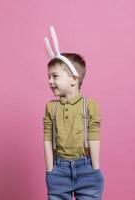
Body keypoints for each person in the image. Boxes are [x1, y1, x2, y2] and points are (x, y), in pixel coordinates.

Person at [43, 26, 104, 200]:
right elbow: (48, 139)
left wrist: (95, 169)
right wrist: (50, 170)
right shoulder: (51, 107)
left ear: (73, 79)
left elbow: (94, 136)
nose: (50, 81)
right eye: (48, 77)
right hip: (58, 171)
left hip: (86, 169)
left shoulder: (90, 105)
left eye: (55, 76)